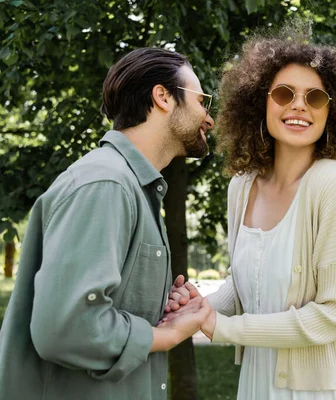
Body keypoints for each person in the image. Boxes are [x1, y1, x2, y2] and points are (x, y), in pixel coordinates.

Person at [163, 25, 336, 399]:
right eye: (284, 93)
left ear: (334, 112)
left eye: (315, 97)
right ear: (259, 102)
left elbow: (335, 315)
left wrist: (222, 327)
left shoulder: (333, 182)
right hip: (258, 382)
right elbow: (245, 286)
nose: (299, 105)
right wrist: (197, 307)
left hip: (323, 390)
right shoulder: (242, 186)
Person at [0, 47, 215, 400]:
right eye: (201, 100)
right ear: (162, 97)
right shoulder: (106, 185)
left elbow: (100, 308)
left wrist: (160, 309)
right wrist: (169, 335)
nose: (209, 119)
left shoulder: (134, 187)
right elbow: (66, 328)